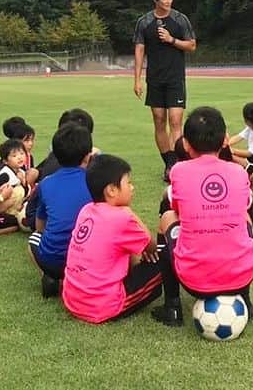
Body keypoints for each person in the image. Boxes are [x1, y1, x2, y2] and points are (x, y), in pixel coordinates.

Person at [150, 106, 253, 326]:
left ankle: (172, 306)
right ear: (225, 139)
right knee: (244, 218)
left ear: (185, 144)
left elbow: (175, 205)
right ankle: (246, 302)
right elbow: (247, 205)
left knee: (167, 217)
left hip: (193, 280)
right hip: (242, 275)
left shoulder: (179, 171)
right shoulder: (238, 173)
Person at [62, 154, 162, 324]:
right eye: (128, 183)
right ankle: (172, 307)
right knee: (165, 260)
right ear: (111, 190)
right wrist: (129, 212)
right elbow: (152, 247)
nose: (132, 188)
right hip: (101, 306)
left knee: (123, 249)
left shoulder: (86, 210)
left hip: (71, 299)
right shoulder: (121, 218)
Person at [133, 0, 197, 182]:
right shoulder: (144, 22)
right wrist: (137, 79)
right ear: (155, 0)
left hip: (175, 78)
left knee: (176, 121)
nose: (168, 1)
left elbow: (192, 45)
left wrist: (172, 40)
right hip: (155, 78)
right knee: (159, 120)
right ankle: (169, 162)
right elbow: (139, 50)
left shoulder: (180, 20)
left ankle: (177, 162)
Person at [30, 123, 94, 298]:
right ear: (88, 156)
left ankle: (52, 277)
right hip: (89, 259)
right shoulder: (95, 180)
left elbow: (40, 226)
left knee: (34, 238)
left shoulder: (46, 183)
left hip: (54, 261)